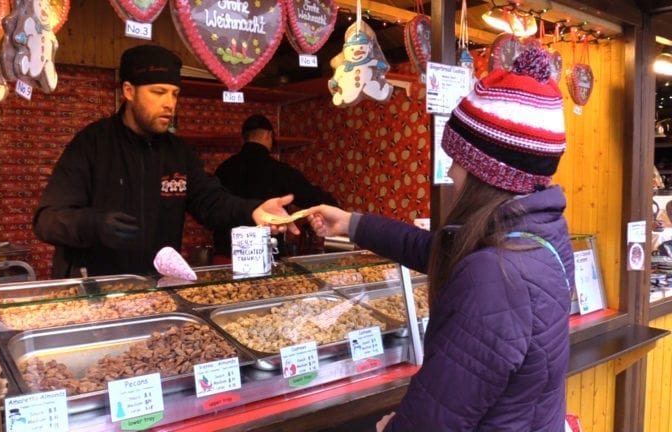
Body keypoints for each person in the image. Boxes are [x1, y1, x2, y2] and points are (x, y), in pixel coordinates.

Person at [306, 47, 574, 431]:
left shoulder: (496, 275)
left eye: (458, 159)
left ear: (488, 171)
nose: (450, 170)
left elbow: (434, 418)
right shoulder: (538, 232)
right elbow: (438, 250)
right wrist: (351, 224)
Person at [33, 44, 297, 278]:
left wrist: (252, 211)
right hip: (96, 289)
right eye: (159, 92)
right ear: (128, 91)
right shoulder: (92, 144)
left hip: (156, 287)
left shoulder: (178, 152)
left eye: (174, 93)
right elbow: (46, 220)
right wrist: (93, 224)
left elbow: (211, 201)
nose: (170, 104)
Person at [213, 114, 338, 255]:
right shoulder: (280, 170)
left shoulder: (223, 169)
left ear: (244, 138)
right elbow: (311, 197)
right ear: (268, 135)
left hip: (225, 255)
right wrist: (335, 208)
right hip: (267, 256)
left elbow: (212, 208)